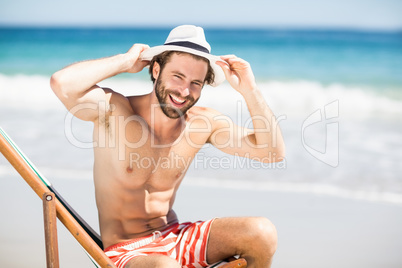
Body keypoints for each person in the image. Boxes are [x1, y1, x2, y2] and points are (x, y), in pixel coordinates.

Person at [50, 25, 285, 268]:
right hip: (125, 251)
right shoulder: (115, 111)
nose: (184, 91)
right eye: (178, 76)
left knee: (262, 232)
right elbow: (62, 83)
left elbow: (273, 152)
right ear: (156, 68)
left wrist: (250, 90)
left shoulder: (202, 123)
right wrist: (124, 61)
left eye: (196, 82)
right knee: (165, 266)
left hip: (175, 236)